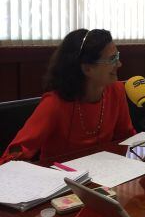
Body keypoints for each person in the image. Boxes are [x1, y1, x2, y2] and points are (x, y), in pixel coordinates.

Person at [0, 29, 136, 164]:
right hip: (61, 180)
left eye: (117, 56)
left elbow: (126, 138)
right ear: (87, 68)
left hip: (106, 176)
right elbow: (13, 156)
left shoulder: (116, 91)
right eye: (112, 59)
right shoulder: (54, 103)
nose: (119, 64)